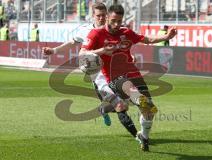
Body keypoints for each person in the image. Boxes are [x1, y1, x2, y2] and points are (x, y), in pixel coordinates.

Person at [81, 4, 177, 151]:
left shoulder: (126, 32)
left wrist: (166, 36)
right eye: (113, 20)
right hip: (115, 77)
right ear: (107, 17)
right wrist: (102, 50)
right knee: (135, 95)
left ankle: (144, 137)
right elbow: (82, 54)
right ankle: (137, 100)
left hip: (134, 74)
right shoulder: (96, 34)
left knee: (149, 110)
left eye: (119, 21)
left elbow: (147, 39)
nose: (116, 24)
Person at [42, 2, 138, 138]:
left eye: (104, 15)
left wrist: (130, 56)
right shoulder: (85, 30)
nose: (101, 18)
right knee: (119, 104)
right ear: (93, 16)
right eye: (98, 16)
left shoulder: (115, 30)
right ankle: (139, 136)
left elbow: (122, 48)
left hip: (114, 71)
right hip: (98, 75)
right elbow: (71, 43)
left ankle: (103, 109)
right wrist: (54, 50)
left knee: (125, 101)